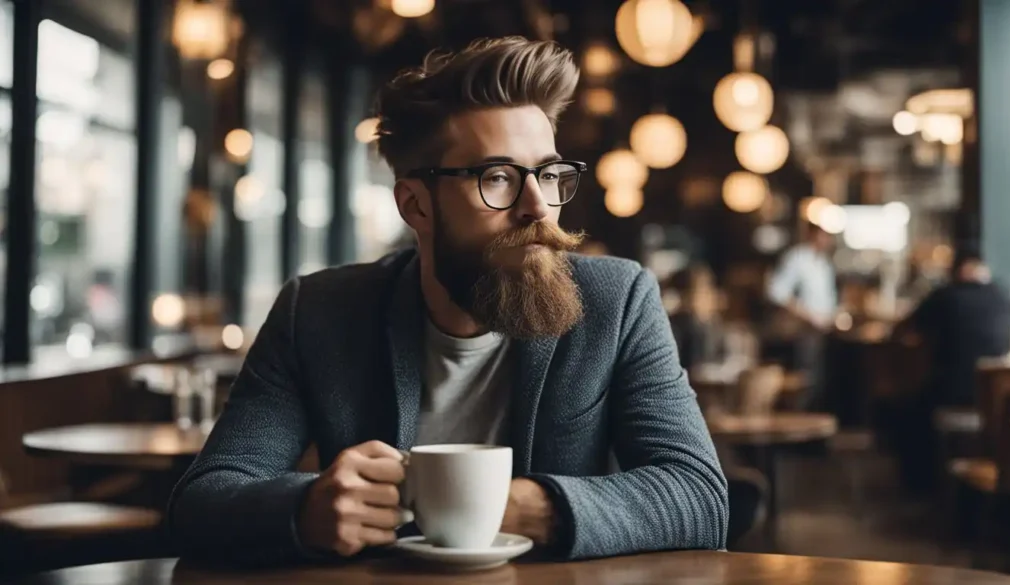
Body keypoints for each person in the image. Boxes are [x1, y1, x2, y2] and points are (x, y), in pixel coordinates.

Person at [168, 37, 727, 566]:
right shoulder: (317, 313)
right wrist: (305, 511)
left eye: (549, 174)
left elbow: (700, 497)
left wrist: (521, 507)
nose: (538, 207)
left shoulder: (617, 299)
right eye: (499, 177)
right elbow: (202, 503)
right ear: (416, 206)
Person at [889, 243, 1010, 491]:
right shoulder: (1003, 294)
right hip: (996, 400)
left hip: (953, 391)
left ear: (956, 269)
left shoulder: (944, 295)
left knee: (905, 411)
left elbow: (902, 330)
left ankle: (920, 487)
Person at [765, 222, 837, 410]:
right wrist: (808, 316)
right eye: (824, 235)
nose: (827, 240)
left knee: (817, 382)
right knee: (803, 383)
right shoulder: (797, 258)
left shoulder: (823, 262)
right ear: (812, 234)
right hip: (800, 331)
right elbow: (776, 292)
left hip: (821, 332)